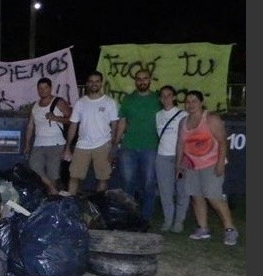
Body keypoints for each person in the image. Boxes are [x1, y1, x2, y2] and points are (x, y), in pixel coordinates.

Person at [175, 90, 238, 246]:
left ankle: (230, 229)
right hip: (191, 165)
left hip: (211, 164)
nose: (190, 105)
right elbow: (180, 144)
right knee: (196, 196)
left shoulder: (211, 119)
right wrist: (179, 164)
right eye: (188, 101)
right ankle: (203, 228)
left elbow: (223, 142)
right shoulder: (183, 122)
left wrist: (220, 163)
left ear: (202, 102)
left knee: (213, 196)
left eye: (194, 101)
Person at [63, 71, 121, 195]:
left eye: (97, 81)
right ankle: (69, 204)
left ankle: (99, 206)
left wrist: (113, 147)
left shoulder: (109, 102)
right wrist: (68, 147)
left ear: (101, 83)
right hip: (82, 145)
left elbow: (115, 125)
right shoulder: (80, 103)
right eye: (91, 81)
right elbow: (73, 125)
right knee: (74, 177)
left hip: (103, 145)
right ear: (87, 84)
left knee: (102, 178)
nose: (94, 84)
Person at [117, 69, 162, 222]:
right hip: (129, 146)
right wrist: (115, 144)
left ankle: (145, 218)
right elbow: (122, 122)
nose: (142, 81)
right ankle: (129, 217)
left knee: (149, 184)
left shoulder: (158, 99)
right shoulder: (128, 99)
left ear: (150, 80)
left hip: (150, 147)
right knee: (127, 184)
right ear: (135, 81)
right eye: (139, 79)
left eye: (145, 78)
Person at [24, 77, 73, 194]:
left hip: (56, 143)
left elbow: (71, 119)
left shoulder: (59, 102)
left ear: (50, 88)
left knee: (53, 173)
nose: (43, 90)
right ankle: (54, 190)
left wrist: (55, 118)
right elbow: (30, 126)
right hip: (38, 143)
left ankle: (53, 197)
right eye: (40, 88)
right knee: (34, 167)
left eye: (45, 88)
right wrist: (27, 144)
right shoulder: (35, 105)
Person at [154, 85, 190, 233]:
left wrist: (182, 159)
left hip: (181, 157)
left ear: (174, 97)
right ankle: (168, 220)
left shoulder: (183, 115)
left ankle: (179, 221)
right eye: (163, 95)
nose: (166, 98)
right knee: (165, 191)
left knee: (182, 190)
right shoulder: (158, 115)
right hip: (162, 156)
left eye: (169, 95)